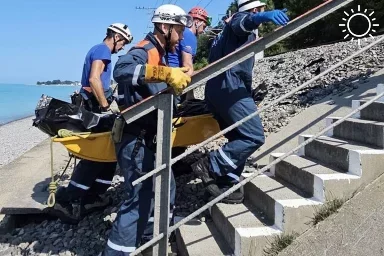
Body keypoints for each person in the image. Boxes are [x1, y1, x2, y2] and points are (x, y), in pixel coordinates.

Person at [101, 4, 192, 255]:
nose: (182, 36)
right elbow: (121, 71)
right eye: (179, 30)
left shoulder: (159, 53)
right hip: (136, 139)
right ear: (165, 27)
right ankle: (117, 252)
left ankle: (152, 238)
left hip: (149, 138)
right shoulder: (145, 49)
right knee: (139, 196)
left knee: (166, 187)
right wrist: (164, 73)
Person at [191, 0, 289, 204]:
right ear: (254, 10)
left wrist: (249, 92)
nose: (263, 12)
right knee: (254, 136)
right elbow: (242, 22)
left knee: (239, 135)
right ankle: (211, 165)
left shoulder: (223, 35)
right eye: (260, 10)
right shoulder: (238, 23)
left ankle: (226, 180)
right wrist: (262, 17)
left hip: (218, 89)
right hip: (229, 87)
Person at [51, 23, 133, 224]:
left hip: (92, 105)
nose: (122, 47)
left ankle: (94, 195)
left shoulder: (99, 50)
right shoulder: (103, 50)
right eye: (122, 42)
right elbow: (94, 78)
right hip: (93, 107)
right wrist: (106, 106)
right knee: (96, 155)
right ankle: (71, 198)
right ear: (115, 36)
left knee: (107, 154)